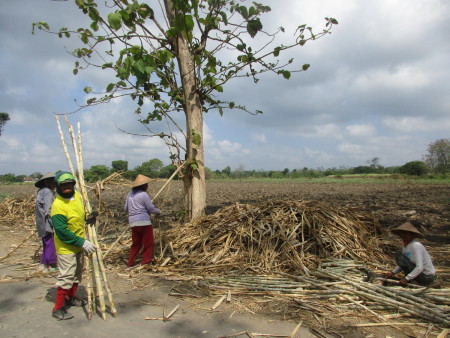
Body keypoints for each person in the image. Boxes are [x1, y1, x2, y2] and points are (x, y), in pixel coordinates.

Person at [50, 171, 97, 320]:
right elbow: (62, 231)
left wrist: (91, 217)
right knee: (67, 276)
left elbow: (81, 214)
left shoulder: (77, 196)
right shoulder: (58, 206)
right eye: (64, 185)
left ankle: (71, 298)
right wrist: (82, 242)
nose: (68, 187)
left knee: (76, 275)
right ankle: (58, 308)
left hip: (78, 244)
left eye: (70, 184)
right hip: (66, 247)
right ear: (58, 187)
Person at [125, 174, 161, 268]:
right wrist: (158, 211)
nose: (147, 186)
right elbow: (150, 208)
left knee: (136, 243)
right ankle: (146, 262)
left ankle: (130, 263)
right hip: (144, 222)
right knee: (148, 242)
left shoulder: (130, 194)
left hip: (133, 222)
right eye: (146, 184)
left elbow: (126, 208)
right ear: (143, 185)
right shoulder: (144, 194)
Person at [385, 222, 436, 286]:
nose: (403, 235)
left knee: (399, 255)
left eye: (406, 233)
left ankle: (413, 281)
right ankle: (412, 280)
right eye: (402, 233)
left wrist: (406, 279)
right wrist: (392, 272)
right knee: (399, 254)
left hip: (426, 277)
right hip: (417, 275)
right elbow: (402, 264)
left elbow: (420, 267)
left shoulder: (416, 246)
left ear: (412, 235)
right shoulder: (405, 246)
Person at [35, 172, 57, 272]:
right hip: (46, 221)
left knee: (46, 242)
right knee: (50, 242)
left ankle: (44, 263)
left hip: (41, 221)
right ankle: (50, 264)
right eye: (52, 181)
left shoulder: (41, 191)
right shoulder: (47, 192)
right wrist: (53, 223)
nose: (54, 183)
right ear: (47, 182)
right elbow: (48, 209)